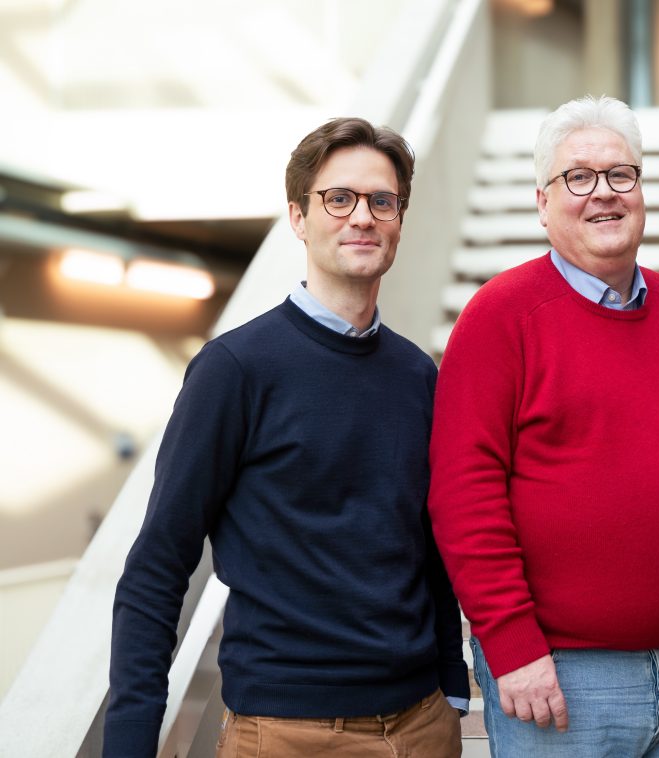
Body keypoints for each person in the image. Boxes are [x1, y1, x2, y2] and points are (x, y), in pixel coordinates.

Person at [104, 117, 469, 758]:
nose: (363, 217)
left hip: (423, 727)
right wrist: (130, 740)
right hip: (288, 734)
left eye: (382, 201)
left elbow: (428, 541)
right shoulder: (234, 369)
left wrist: (449, 681)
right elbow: (158, 566)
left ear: (399, 220)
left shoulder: (417, 374)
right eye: (339, 198)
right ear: (299, 218)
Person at [428, 95, 659, 757]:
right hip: (564, 681)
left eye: (620, 174)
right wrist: (512, 648)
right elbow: (463, 494)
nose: (603, 193)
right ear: (544, 202)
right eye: (578, 177)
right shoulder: (500, 317)